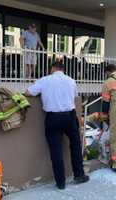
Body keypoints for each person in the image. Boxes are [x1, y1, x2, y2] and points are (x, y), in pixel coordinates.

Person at [25, 61, 89, 190]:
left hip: (53, 117)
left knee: (56, 150)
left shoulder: (44, 80)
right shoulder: (71, 81)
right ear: (63, 69)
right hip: (70, 116)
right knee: (75, 146)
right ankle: (79, 175)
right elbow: (75, 96)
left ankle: (60, 183)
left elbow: (28, 93)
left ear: (52, 68)